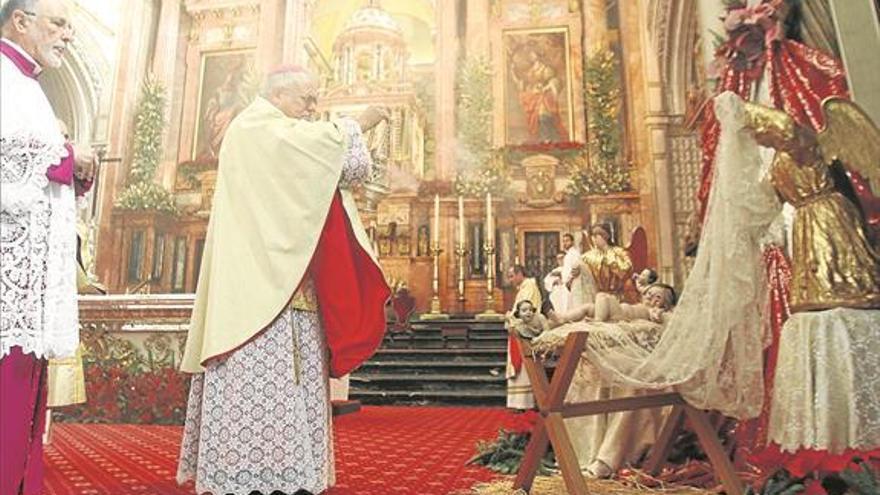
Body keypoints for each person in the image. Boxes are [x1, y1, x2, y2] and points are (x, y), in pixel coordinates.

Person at [176, 65, 391, 495]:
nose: (313, 109)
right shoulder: (255, 127)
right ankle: (242, 474)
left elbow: (349, 172)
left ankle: (290, 473)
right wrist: (358, 122)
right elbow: (322, 149)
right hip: (254, 286)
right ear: (277, 94)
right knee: (255, 384)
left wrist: (345, 135)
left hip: (292, 280)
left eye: (316, 100)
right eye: (305, 99)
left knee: (295, 386)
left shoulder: (284, 133)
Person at [0, 1, 96, 493]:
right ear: (21, 19)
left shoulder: (31, 86)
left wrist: (74, 169)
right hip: (8, 284)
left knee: (24, 411)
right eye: (58, 23)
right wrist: (67, 157)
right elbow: (8, 159)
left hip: (29, 286)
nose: (68, 35)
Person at [505, 264, 542, 409]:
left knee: (525, 370)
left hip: (526, 334)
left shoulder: (529, 288)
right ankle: (518, 404)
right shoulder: (524, 288)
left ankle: (524, 405)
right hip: (519, 333)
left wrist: (510, 317)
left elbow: (526, 313)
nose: (510, 280)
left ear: (520, 274)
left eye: (512, 276)